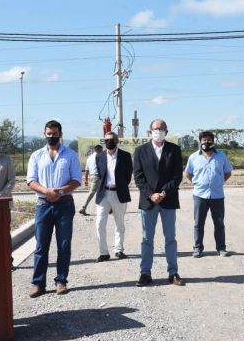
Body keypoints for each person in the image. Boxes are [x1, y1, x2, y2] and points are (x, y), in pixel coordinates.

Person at [27, 120, 82, 298]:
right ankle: (38, 283)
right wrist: (47, 191)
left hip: (65, 204)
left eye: (55, 133)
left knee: (64, 245)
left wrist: (60, 191)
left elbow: (76, 180)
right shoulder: (36, 155)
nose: (52, 136)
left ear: (61, 134)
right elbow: (31, 181)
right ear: (44, 134)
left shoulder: (71, 155)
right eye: (49, 133)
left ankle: (61, 281)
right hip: (43, 205)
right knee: (41, 245)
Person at [133, 119, 185, 287]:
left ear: (166, 131)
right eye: (156, 128)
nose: (158, 131)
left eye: (162, 128)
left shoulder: (174, 150)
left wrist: (163, 193)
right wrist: (151, 194)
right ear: (150, 131)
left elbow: (177, 176)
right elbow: (138, 177)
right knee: (147, 239)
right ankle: (145, 273)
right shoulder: (141, 151)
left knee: (170, 238)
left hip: (168, 200)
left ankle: (173, 273)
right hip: (149, 202)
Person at [184, 131, 233, 258]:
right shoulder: (194, 157)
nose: (206, 142)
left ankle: (221, 248)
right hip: (200, 195)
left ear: (213, 141)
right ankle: (198, 248)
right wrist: (196, 184)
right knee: (198, 223)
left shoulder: (221, 156)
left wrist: (219, 182)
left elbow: (228, 172)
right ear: (200, 142)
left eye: (209, 140)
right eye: (204, 140)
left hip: (217, 195)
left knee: (219, 223)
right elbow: (187, 173)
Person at [94, 132, 133, 262]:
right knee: (100, 223)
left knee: (119, 223)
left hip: (119, 193)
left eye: (111, 140)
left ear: (117, 141)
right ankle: (104, 252)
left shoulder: (125, 156)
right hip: (104, 194)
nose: (108, 142)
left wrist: (120, 186)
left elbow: (128, 175)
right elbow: (100, 175)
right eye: (106, 140)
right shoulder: (99, 156)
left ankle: (119, 250)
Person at [79, 144, 103, 215]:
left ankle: (108, 208)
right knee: (92, 192)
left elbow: (86, 170)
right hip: (98, 176)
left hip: (92, 176)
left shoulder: (89, 158)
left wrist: (86, 180)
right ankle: (83, 207)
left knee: (104, 192)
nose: (102, 151)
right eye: (101, 150)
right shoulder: (100, 156)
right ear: (99, 149)